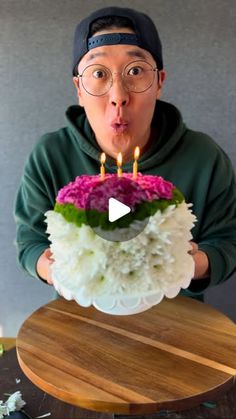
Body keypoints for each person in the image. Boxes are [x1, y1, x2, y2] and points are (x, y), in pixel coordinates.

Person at [14, 6, 236, 301]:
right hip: (81, 320)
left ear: (159, 82)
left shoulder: (204, 157)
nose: (118, 96)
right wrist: (58, 269)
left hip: (178, 322)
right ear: (79, 88)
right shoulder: (50, 155)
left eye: (135, 71)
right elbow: (30, 242)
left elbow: (229, 242)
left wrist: (186, 265)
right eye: (99, 73)